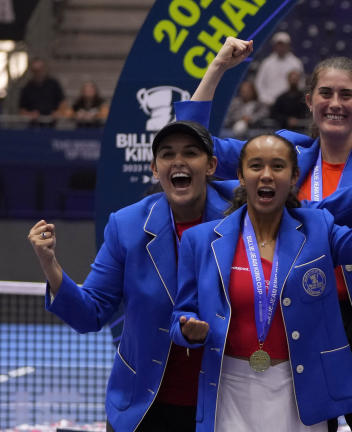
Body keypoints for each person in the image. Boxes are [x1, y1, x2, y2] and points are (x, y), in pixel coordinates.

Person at [177, 41, 352, 432]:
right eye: (325, 93)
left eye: (346, 95)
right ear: (309, 101)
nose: (335, 103)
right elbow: (196, 144)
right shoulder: (287, 158)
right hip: (303, 326)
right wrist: (219, 67)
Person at [26, 121, 234, 431]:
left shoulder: (241, 216)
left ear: (211, 165)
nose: (178, 161)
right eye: (167, 154)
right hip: (143, 405)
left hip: (224, 404)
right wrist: (49, 263)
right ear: (154, 168)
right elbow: (90, 314)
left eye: (191, 153)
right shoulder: (127, 225)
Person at [254, 31, 304, 106]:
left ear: (288, 46)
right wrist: (264, 98)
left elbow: (300, 83)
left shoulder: (296, 63)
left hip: (289, 104)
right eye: (278, 45)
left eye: (283, 45)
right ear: (274, 46)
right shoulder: (267, 63)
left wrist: (293, 99)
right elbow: (259, 83)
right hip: (268, 103)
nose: (280, 48)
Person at [18, 57, 67, 126]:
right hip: (33, 125)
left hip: (52, 125)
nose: (38, 73)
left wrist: (58, 113)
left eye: (40, 70)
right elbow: (22, 109)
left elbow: (63, 102)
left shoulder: (53, 84)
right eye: (35, 71)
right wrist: (30, 114)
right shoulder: (27, 87)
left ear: (44, 69)